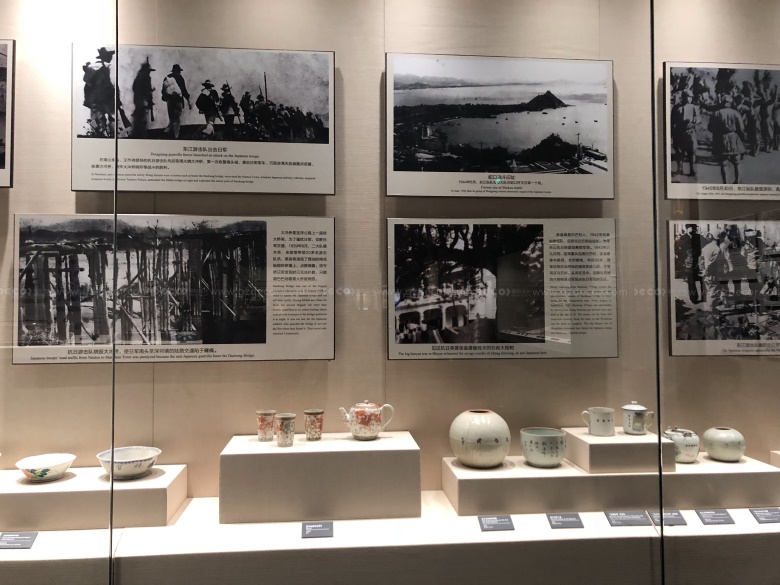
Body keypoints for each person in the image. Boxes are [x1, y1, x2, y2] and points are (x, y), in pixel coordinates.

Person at [708, 95, 746, 184]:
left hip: (721, 139)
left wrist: (718, 132)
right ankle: (737, 181)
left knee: (724, 163)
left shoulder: (716, 113)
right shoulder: (736, 113)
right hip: (734, 138)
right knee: (737, 162)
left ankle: (725, 183)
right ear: (730, 103)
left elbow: (710, 127)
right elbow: (741, 128)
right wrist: (742, 139)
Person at [82, 47, 116, 137]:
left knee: (97, 121)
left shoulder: (91, 67)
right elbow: (113, 84)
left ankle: (100, 136)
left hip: (95, 99)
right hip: (107, 98)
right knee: (111, 119)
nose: (111, 57)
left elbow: (86, 82)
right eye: (110, 55)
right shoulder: (109, 67)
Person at [671, 90, 699, 176]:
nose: (689, 99)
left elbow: (698, 117)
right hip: (679, 132)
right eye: (688, 97)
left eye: (691, 97)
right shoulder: (676, 107)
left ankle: (692, 169)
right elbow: (672, 120)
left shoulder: (693, 107)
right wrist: (671, 132)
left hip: (690, 132)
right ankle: (679, 169)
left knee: (691, 152)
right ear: (683, 97)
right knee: (679, 152)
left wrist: (694, 121)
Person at [161, 64, 191, 139]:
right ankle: (176, 136)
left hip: (169, 101)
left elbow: (163, 91)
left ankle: (168, 132)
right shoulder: (179, 77)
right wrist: (188, 99)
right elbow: (183, 89)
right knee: (177, 119)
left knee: (171, 118)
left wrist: (166, 98)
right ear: (178, 70)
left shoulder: (167, 78)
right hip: (178, 100)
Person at [678, 224, 705, 303]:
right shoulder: (682, 238)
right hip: (688, 263)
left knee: (702, 280)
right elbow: (679, 251)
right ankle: (693, 298)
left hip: (698, 261)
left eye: (694, 228)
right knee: (691, 281)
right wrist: (684, 260)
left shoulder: (699, 237)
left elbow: (704, 247)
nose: (693, 230)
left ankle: (704, 297)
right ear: (687, 229)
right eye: (691, 228)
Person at [702, 231, 726, 311]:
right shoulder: (717, 249)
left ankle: (709, 309)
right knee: (713, 292)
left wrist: (703, 270)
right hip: (713, 273)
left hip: (706, 273)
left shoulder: (705, 247)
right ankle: (711, 311)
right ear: (719, 239)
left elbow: (701, 260)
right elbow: (713, 263)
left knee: (709, 291)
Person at [131, 58, 155, 139]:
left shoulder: (139, 77)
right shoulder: (145, 78)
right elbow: (146, 91)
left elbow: (135, 88)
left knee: (139, 122)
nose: (149, 72)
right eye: (148, 71)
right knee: (143, 123)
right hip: (143, 103)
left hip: (139, 103)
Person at [757, 71, 777, 152]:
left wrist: (776, 90)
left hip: (768, 115)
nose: (768, 83)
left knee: (770, 132)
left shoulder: (772, 89)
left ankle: (770, 146)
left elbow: (773, 100)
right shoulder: (762, 89)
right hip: (763, 114)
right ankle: (766, 146)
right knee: (764, 132)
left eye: (769, 80)